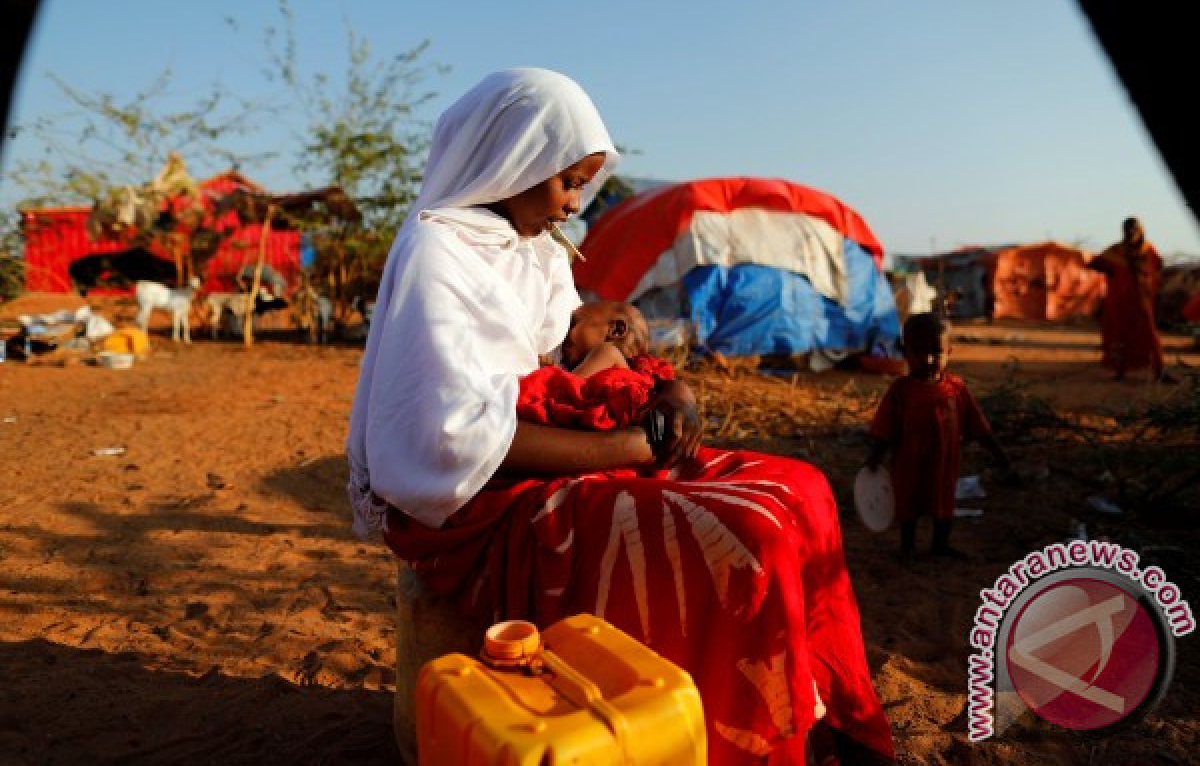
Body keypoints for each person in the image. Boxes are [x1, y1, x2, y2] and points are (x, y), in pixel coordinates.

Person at [347, 68, 893, 764]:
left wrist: (667, 393)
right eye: (566, 182)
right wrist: (636, 447)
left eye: (582, 184)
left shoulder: (535, 250)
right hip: (491, 497)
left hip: (568, 448)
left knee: (802, 490)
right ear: (514, 160)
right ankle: (735, 740)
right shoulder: (439, 251)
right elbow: (455, 438)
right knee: (748, 533)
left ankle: (813, 717)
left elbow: (571, 364)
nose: (573, 204)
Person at [866, 313, 1011, 560]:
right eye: (919, 352)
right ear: (905, 352)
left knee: (943, 504)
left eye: (936, 352)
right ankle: (907, 546)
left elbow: (979, 428)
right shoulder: (900, 391)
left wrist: (1001, 458)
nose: (928, 359)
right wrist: (874, 459)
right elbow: (884, 429)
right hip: (908, 463)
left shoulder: (956, 390)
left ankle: (940, 545)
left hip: (944, 464)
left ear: (950, 352)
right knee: (908, 504)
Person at [1087, 217, 1174, 382]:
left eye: (1134, 230)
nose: (1131, 234)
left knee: (1149, 334)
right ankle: (1120, 372)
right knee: (1120, 334)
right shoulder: (1116, 251)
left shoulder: (1148, 250)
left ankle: (1160, 371)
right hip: (1119, 300)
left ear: (1140, 230)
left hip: (1143, 301)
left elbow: (1158, 267)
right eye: (1127, 230)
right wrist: (1112, 273)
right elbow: (1094, 263)